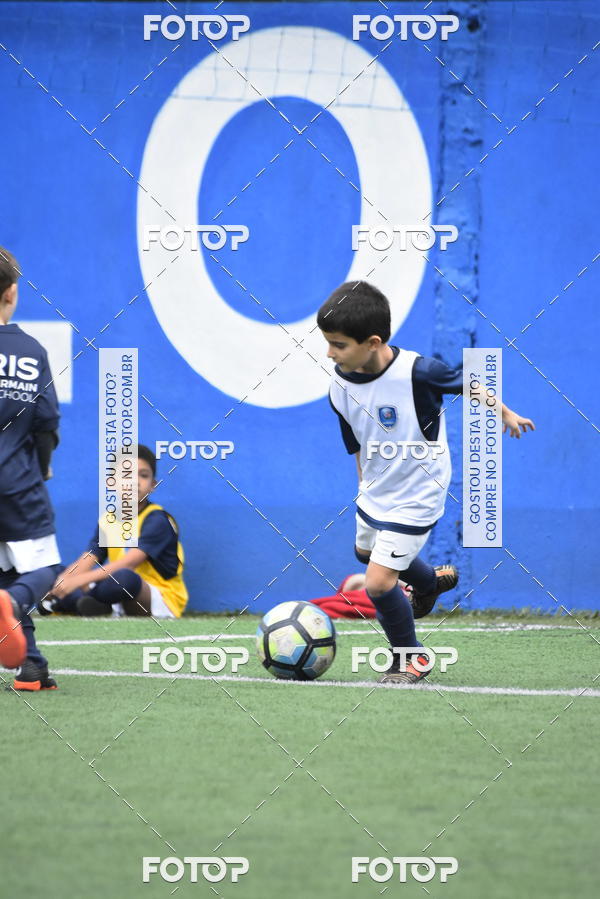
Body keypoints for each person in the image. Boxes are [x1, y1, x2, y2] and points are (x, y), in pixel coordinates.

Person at [317, 280, 534, 685]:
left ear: (373, 342)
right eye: (328, 342)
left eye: (338, 344)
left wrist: (505, 413)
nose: (329, 353)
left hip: (419, 490)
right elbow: (356, 441)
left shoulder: (418, 372)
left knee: (379, 584)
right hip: (376, 489)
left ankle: (410, 658)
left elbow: (469, 386)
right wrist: (364, 486)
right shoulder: (339, 385)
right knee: (366, 554)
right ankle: (428, 582)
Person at [0, 246, 61, 690]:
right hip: (16, 480)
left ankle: (32, 666)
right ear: (12, 293)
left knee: (5, 568)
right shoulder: (30, 350)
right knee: (43, 569)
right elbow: (46, 422)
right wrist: (41, 468)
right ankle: (14, 601)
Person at [41, 444, 188, 618]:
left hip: (155, 597)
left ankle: (77, 604)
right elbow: (87, 559)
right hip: (114, 593)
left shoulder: (157, 519)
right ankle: (88, 604)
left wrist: (78, 581)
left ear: (152, 485)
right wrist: (62, 583)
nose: (134, 481)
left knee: (125, 578)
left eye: (143, 475)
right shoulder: (108, 520)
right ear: (111, 482)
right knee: (55, 572)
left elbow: (129, 563)